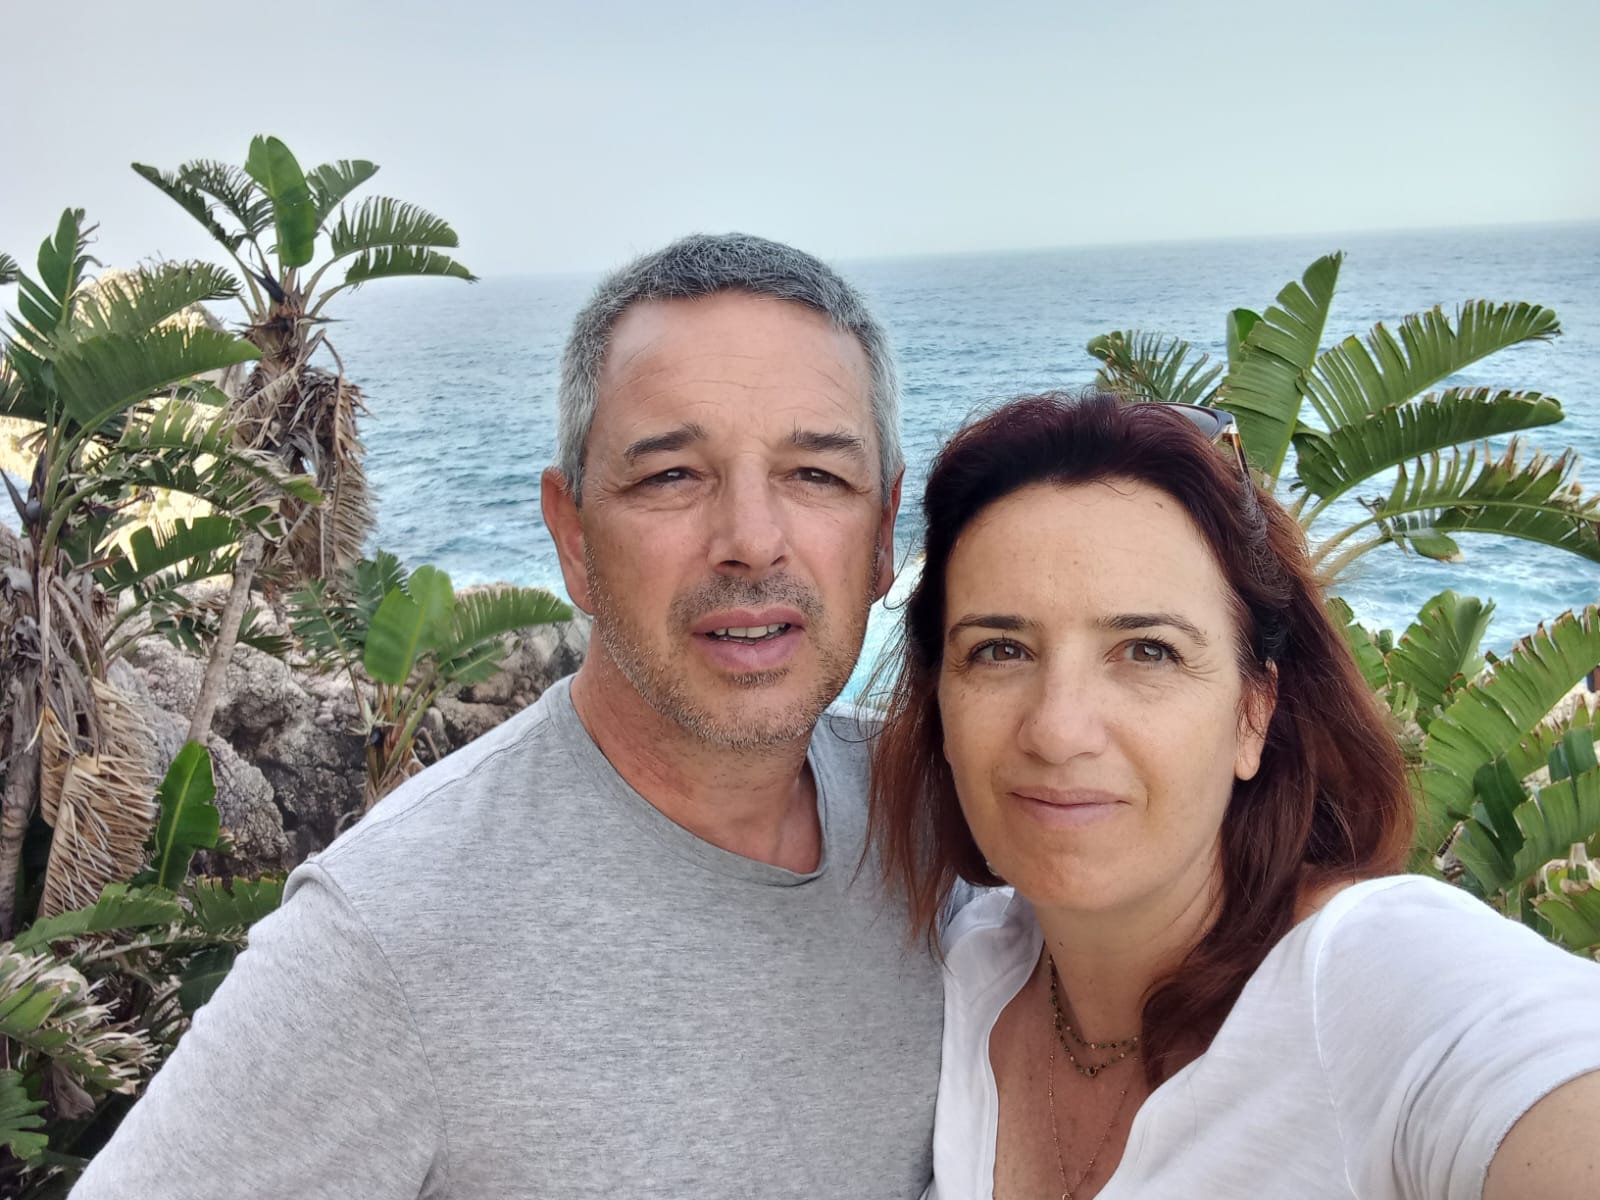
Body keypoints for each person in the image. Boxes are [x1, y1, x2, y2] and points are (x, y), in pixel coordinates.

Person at [73, 234, 944, 1199]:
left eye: (816, 475)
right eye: (671, 475)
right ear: (572, 536)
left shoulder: (949, 835)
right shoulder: (392, 932)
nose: (751, 539)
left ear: (882, 535)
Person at [869, 391, 1600, 1200]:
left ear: (1254, 712)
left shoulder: (1376, 983)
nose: (1058, 730)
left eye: (1147, 651)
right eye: (1000, 650)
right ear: (940, 705)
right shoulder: (967, 972)